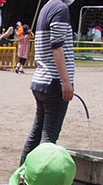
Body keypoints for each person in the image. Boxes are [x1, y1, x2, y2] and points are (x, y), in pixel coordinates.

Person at [19, 0, 75, 165]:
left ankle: (21, 176)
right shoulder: (61, 9)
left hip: (41, 79)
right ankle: (38, 180)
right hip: (54, 82)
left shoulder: (47, 7)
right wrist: (66, 81)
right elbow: (57, 46)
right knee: (48, 138)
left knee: (36, 134)